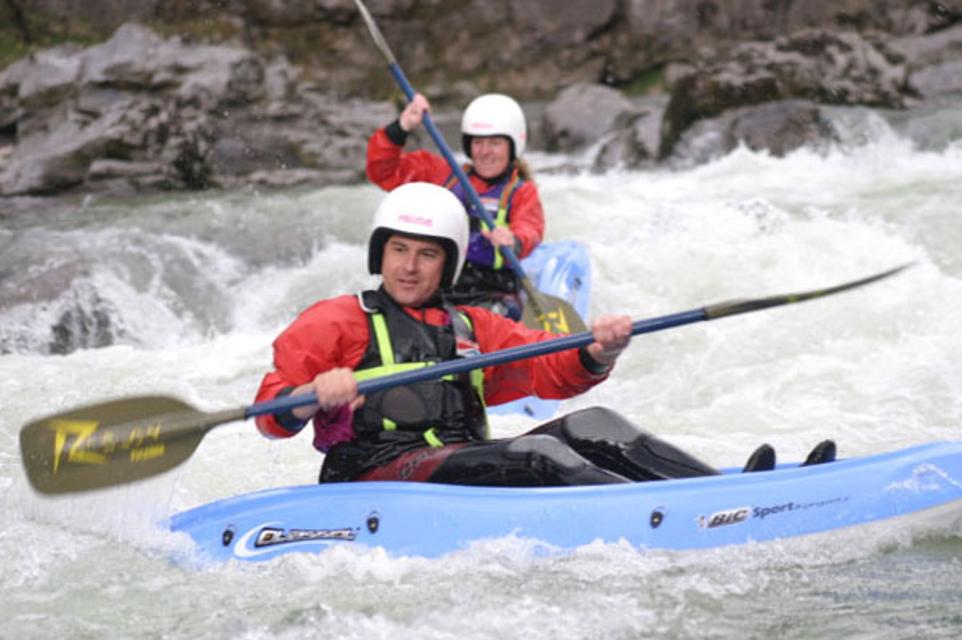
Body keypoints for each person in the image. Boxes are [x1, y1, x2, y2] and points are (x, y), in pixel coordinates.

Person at [254, 182, 835, 486]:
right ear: (380, 254)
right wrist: (306, 400)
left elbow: (545, 366)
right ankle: (668, 509)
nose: (408, 266)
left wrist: (596, 351)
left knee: (598, 425)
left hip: (455, 460)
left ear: (448, 264)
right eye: (398, 250)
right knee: (538, 455)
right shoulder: (337, 320)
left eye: (426, 254)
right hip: (376, 471)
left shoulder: (471, 327)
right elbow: (269, 411)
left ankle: (717, 493)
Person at [366, 92, 542, 319]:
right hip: (441, 283)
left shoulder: (521, 191)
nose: (485, 151)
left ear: (513, 146)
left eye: (495, 143)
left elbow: (530, 229)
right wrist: (401, 127)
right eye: (478, 142)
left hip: (492, 288)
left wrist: (513, 239)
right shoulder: (443, 175)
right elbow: (383, 171)